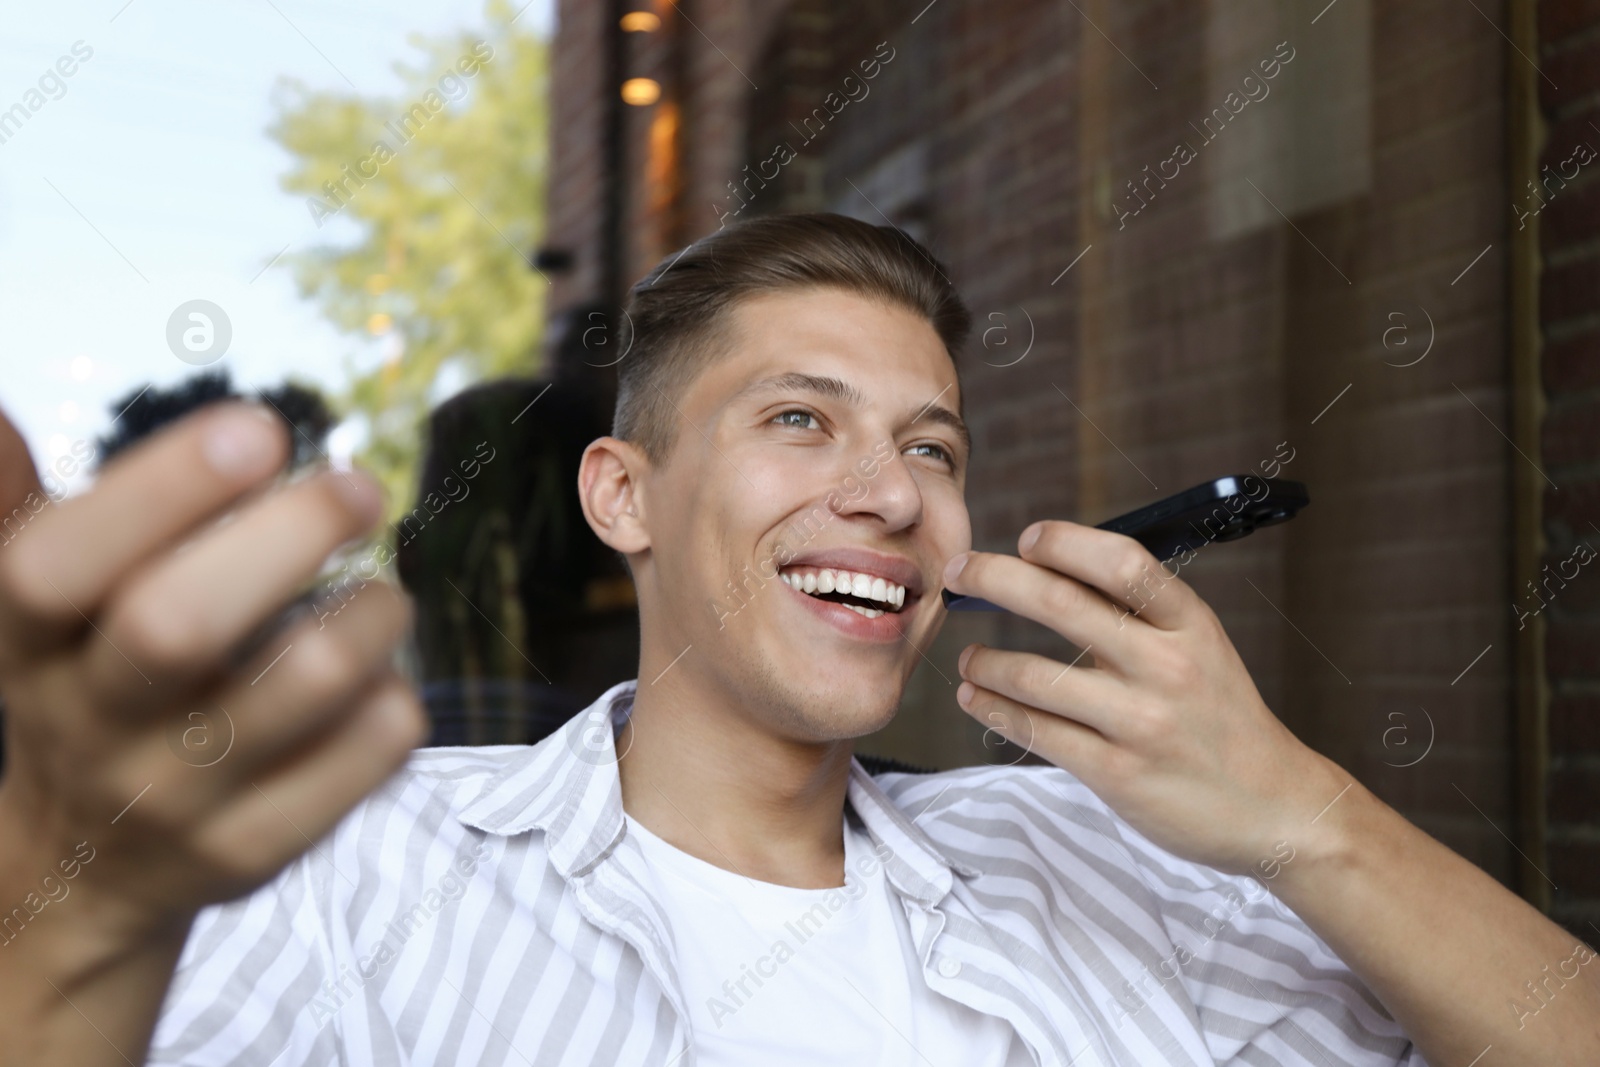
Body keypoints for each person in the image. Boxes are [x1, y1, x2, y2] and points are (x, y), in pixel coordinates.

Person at [0, 213, 1596, 1066]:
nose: (887, 494)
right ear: (622, 494)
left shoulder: (1092, 862)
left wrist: (1309, 820)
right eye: (797, 419)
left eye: (934, 447)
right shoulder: (361, 869)